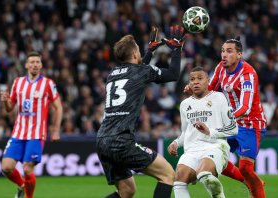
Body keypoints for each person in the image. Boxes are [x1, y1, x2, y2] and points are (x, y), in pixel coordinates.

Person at [96, 25, 185, 198]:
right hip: (121, 141)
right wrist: (176, 49)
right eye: (138, 50)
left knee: (127, 191)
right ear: (135, 54)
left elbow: (135, 71)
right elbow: (173, 74)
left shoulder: (112, 74)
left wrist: (149, 51)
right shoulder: (141, 71)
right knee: (167, 175)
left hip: (102, 140)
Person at [186, 37, 267, 197]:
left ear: (239, 55)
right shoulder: (221, 68)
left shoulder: (248, 75)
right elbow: (210, 90)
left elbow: (245, 107)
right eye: (223, 51)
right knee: (215, 157)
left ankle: (253, 183)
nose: (224, 54)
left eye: (229, 51)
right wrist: (195, 89)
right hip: (231, 123)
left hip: (251, 124)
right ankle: (250, 183)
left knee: (245, 168)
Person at [0, 51, 63, 198]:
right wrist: (5, 101)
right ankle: (23, 186)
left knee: (27, 169)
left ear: (41, 65)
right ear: (26, 65)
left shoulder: (48, 84)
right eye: (32, 62)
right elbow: (10, 108)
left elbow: (58, 107)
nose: (35, 64)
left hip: (36, 134)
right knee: (6, 168)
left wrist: (55, 130)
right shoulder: (18, 82)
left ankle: (29, 196)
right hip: (18, 133)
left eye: (37, 62)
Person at [168, 66, 238, 198]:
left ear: (208, 81)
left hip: (215, 147)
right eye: (192, 79)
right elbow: (185, 133)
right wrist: (176, 143)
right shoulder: (184, 105)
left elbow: (233, 128)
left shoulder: (219, 97)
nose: (195, 82)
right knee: (178, 179)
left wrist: (210, 131)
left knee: (204, 174)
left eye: (200, 78)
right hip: (192, 150)